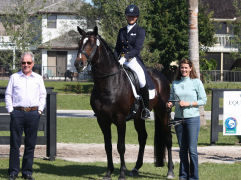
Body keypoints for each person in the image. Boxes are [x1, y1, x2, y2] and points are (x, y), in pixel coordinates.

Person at [5, 52, 46, 180]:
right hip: (17, 113)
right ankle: (13, 172)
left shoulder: (38, 78)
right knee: (14, 144)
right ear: (20, 63)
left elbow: (42, 95)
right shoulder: (14, 77)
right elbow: (8, 95)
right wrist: (11, 110)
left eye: (28, 63)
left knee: (30, 144)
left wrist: (39, 110)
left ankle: (27, 172)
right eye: (24, 62)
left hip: (33, 114)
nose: (26, 65)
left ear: (33, 64)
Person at [166, 58, 207, 180]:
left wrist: (188, 104)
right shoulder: (175, 83)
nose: (183, 69)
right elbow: (172, 99)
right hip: (179, 119)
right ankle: (183, 176)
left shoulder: (196, 82)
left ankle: (194, 177)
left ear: (190, 68)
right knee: (182, 149)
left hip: (192, 119)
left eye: (186, 67)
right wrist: (170, 104)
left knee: (192, 150)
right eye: (182, 67)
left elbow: (203, 100)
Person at [114, 4, 155, 120]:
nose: (131, 17)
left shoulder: (140, 31)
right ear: (126, 17)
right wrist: (115, 58)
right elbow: (117, 48)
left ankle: (146, 109)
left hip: (133, 60)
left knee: (142, 81)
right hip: (121, 60)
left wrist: (125, 57)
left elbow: (137, 49)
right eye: (129, 16)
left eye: (133, 16)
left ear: (137, 17)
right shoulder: (121, 31)